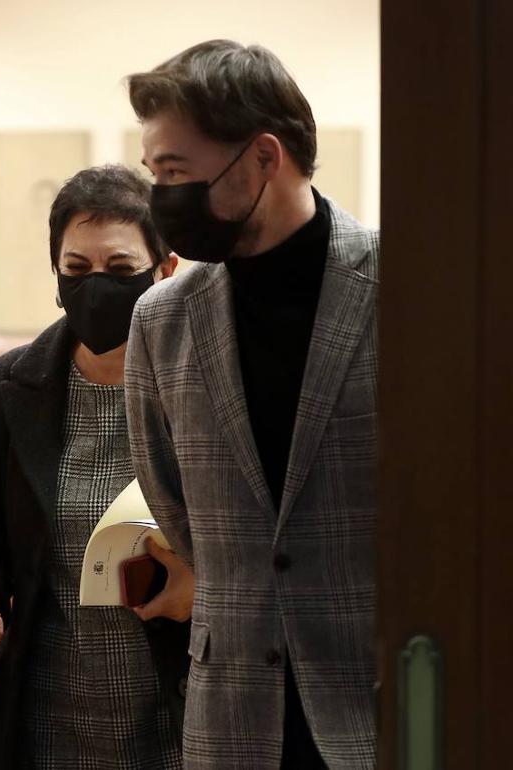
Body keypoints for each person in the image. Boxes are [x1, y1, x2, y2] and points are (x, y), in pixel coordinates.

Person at [124, 40, 379, 769]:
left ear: (264, 158)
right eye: (155, 172)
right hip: (231, 713)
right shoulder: (162, 319)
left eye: (177, 171)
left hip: (377, 699)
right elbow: (170, 498)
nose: (161, 195)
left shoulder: (408, 284)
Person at [0, 165, 191, 770]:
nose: (97, 289)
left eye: (120, 270)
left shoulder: (203, 382)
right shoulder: (11, 383)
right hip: (47, 708)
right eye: (77, 271)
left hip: (176, 703)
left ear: (166, 269)